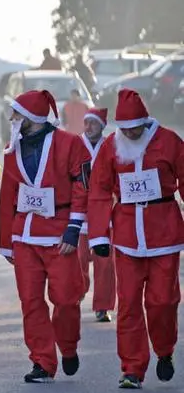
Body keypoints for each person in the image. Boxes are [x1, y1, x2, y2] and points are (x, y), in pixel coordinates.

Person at [87, 89, 183, 389]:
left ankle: (164, 351)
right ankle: (132, 368)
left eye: (133, 128)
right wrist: (98, 235)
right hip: (127, 235)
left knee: (163, 301)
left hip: (163, 232)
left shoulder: (170, 142)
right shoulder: (110, 145)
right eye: (123, 128)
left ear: (144, 122)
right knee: (128, 303)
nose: (127, 133)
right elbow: (100, 190)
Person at [0, 89, 90, 383]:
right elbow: (6, 196)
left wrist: (74, 228)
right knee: (30, 301)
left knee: (65, 299)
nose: (11, 119)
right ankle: (42, 362)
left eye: (16, 114)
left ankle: (68, 345)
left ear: (31, 118)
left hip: (59, 233)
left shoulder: (70, 143)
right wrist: (6, 242)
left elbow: (83, 187)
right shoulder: (12, 147)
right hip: (24, 235)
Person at [76, 107, 116, 323]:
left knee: (105, 262)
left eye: (93, 123)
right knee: (78, 259)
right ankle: (79, 290)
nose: (89, 127)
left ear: (102, 126)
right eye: (87, 123)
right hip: (80, 212)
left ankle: (103, 306)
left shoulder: (110, 145)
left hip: (104, 213)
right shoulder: (75, 144)